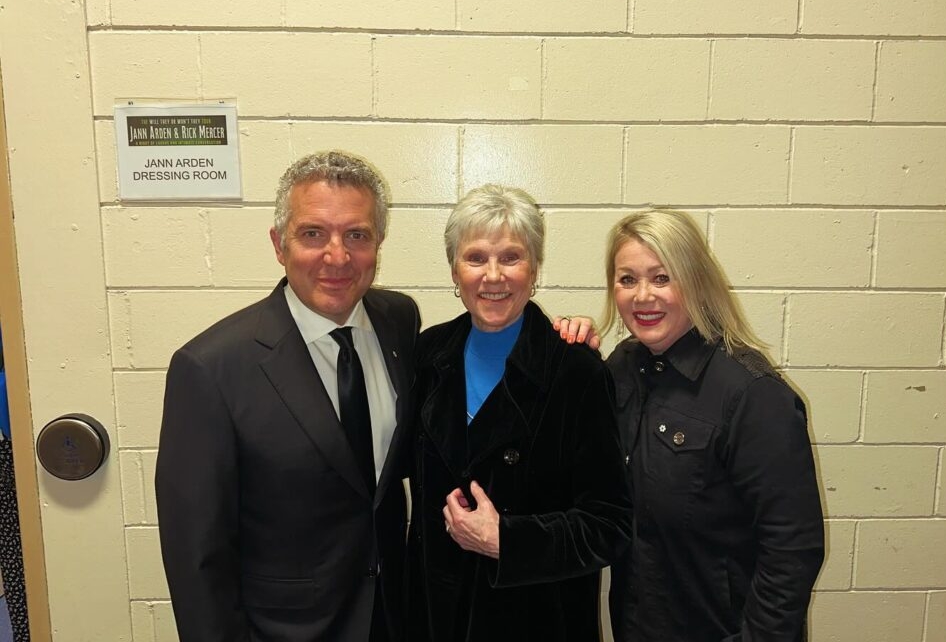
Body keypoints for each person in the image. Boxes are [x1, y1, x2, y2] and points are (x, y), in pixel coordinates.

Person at [156, 151, 420, 642]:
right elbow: (197, 556)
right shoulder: (210, 369)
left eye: (357, 235)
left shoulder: (398, 321)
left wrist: (556, 338)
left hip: (392, 617)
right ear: (279, 244)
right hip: (283, 631)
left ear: (378, 243)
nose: (337, 256)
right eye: (313, 233)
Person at [405, 184, 631, 642]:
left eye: (511, 257)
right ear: (454, 270)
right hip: (436, 615)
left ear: (534, 270)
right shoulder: (427, 356)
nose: (493, 276)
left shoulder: (575, 371)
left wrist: (508, 540)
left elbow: (610, 524)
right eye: (475, 258)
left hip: (538, 619)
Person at [601, 210, 824, 642]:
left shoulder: (751, 393)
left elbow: (792, 548)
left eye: (662, 278)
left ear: (696, 280)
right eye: (628, 280)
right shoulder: (622, 369)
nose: (643, 296)